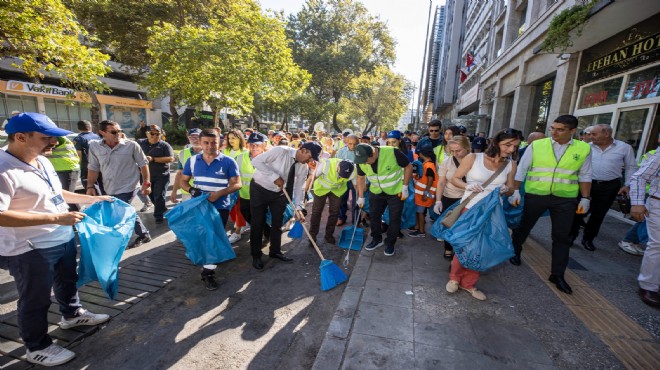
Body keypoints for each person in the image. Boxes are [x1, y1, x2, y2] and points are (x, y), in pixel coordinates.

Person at [0, 113, 112, 366]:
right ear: (20, 137)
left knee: (67, 279)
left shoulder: (41, 160)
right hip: (29, 247)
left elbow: (55, 192)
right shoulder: (3, 168)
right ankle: (36, 346)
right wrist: (55, 219)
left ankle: (71, 314)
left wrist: (91, 199)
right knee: (35, 297)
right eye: (46, 137)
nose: (54, 143)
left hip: (60, 237)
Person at [509, 115, 592, 295]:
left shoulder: (583, 148)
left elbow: (585, 175)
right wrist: (515, 191)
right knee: (524, 226)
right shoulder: (537, 145)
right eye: (552, 128)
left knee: (561, 237)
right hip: (536, 194)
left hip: (565, 199)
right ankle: (515, 251)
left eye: (560, 129)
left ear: (572, 131)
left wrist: (586, 198)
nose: (554, 132)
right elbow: (522, 169)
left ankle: (557, 274)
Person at [446, 128, 520, 301]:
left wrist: (506, 190)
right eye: (507, 145)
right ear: (495, 142)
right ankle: (454, 278)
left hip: (493, 212)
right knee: (464, 244)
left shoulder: (511, 164)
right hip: (470, 208)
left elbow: (510, 189)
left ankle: (469, 283)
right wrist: (467, 186)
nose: (511, 149)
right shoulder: (473, 158)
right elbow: (455, 178)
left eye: (514, 146)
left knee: (482, 249)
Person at [180, 129, 241, 290]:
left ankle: (207, 273)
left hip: (220, 206)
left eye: (213, 142)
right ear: (200, 143)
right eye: (206, 142)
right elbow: (183, 182)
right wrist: (193, 190)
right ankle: (209, 260)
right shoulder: (192, 161)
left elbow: (237, 184)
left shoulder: (228, 161)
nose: (210, 146)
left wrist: (219, 193)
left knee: (213, 237)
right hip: (199, 206)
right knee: (203, 236)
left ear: (220, 143)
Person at [249, 141, 322, 270]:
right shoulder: (280, 151)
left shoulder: (303, 167)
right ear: (303, 150)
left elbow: (300, 187)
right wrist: (274, 177)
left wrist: (299, 208)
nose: (310, 161)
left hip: (279, 194)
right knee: (257, 223)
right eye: (310, 157)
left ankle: (275, 251)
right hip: (259, 189)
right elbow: (256, 162)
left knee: (277, 223)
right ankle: (256, 255)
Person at [570, 124, 637, 251]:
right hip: (586, 184)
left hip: (609, 186)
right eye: (589, 134)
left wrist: (628, 185)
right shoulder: (586, 147)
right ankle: (571, 236)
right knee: (578, 212)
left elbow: (631, 167)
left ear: (606, 134)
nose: (590, 136)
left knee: (598, 215)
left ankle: (588, 239)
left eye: (594, 134)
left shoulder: (624, 148)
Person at [86, 120, 153, 248]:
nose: (118, 134)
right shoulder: (94, 146)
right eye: (114, 132)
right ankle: (143, 234)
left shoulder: (131, 145)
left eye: (120, 131)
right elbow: (93, 168)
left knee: (121, 211)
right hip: (109, 187)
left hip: (129, 185)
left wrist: (146, 183)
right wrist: (90, 186)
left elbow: (143, 164)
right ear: (102, 133)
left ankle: (117, 240)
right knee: (124, 210)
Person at [355, 143, 412, 256]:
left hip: (395, 191)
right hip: (376, 191)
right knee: (374, 216)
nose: (365, 163)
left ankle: (390, 243)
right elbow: (360, 178)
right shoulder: (360, 160)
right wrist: (360, 196)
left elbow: (408, 167)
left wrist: (405, 186)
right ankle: (376, 239)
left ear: (373, 153)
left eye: (366, 160)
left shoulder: (392, 152)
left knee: (394, 219)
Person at [629, 152, 659, 307]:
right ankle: (648, 286)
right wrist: (637, 203)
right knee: (658, 245)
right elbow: (640, 177)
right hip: (658, 203)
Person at [434, 136, 470, 258]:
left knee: (465, 226)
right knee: (449, 224)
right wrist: (438, 201)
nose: (455, 153)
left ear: (467, 148)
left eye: (458, 150)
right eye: (452, 151)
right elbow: (441, 182)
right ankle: (448, 248)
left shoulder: (476, 161)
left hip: (469, 198)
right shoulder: (447, 162)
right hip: (450, 197)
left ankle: (462, 251)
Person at [309, 158, 356, 246]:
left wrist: (360, 197)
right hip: (321, 189)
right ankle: (312, 236)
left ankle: (329, 235)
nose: (341, 177)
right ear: (338, 166)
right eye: (341, 173)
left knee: (334, 212)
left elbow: (356, 184)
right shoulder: (326, 164)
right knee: (316, 212)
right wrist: (306, 189)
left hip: (337, 190)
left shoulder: (353, 170)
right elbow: (313, 177)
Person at [237, 132, 271, 248]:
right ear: (247, 145)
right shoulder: (240, 158)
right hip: (245, 195)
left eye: (257, 144)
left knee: (260, 218)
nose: (254, 147)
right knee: (247, 215)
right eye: (251, 144)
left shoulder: (269, 158)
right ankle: (265, 230)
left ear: (263, 145)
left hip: (263, 196)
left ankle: (261, 239)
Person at [137, 124, 174, 224]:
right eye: (152, 133)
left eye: (158, 134)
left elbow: (171, 158)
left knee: (159, 195)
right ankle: (161, 208)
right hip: (145, 176)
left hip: (161, 175)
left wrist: (153, 159)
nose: (155, 136)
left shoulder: (164, 145)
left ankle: (158, 216)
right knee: (151, 195)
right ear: (147, 134)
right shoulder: (140, 143)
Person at [222, 129, 249, 243]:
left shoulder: (245, 152)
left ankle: (237, 232)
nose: (231, 140)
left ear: (240, 139)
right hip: (226, 185)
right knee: (231, 209)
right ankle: (242, 223)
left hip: (239, 186)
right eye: (229, 138)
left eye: (234, 138)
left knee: (238, 209)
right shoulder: (225, 151)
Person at [410, 138, 437, 238]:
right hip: (421, 195)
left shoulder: (428, 165)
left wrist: (426, 193)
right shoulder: (427, 164)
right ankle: (418, 227)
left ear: (421, 154)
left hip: (424, 195)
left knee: (420, 213)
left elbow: (430, 179)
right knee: (419, 212)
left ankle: (421, 231)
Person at [171, 128, 203, 204]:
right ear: (188, 138)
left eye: (198, 137)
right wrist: (174, 191)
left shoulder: (209, 152)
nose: (195, 140)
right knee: (189, 215)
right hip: (187, 191)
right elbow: (179, 174)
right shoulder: (182, 153)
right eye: (192, 137)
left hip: (204, 191)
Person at [335, 134, 359, 226]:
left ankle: (356, 221)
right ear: (346, 143)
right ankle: (341, 217)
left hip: (356, 179)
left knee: (355, 201)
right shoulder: (341, 152)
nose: (352, 146)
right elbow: (337, 165)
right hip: (343, 179)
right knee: (342, 200)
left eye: (354, 144)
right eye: (350, 144)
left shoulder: (360, 152)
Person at [72, 120, 101, 190]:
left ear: (78, 128)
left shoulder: (79, 139)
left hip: (87, 166)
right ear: (90, 127)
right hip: (101, 164)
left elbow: (79, 155)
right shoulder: (98, 137)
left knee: (89, 187)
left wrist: (79, 167)